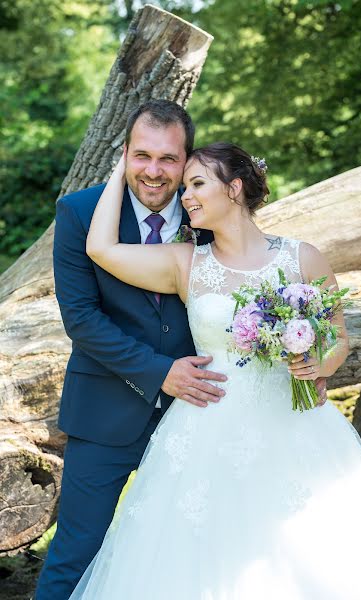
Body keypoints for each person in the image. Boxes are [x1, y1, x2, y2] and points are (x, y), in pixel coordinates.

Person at [69, 142, 361, 599]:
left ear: (235, 187)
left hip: (296, 427)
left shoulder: (302, 258)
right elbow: (100, 248)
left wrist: (314, 364)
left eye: (197, 184)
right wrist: (121, 167)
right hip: (207, 431)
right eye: (184, 188)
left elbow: (337, 340)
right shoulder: (184, 262)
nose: (185, 196)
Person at [35, 100, 228, 600]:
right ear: (123, 154)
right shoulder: (79, 214)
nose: (154, 171)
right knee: (77, 551)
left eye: (168, 159)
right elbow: (82, 319)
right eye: (142, 156)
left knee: (190, 550)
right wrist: (159, 371)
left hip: (198, 409)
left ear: (188, 160)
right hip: (105, 410)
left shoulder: (210, 212)